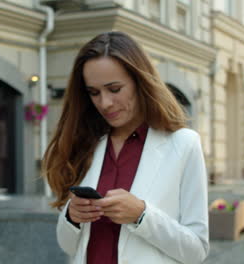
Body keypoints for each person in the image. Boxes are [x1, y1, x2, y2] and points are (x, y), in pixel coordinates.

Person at [42, 31, 209, 264]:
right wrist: (72, 216)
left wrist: (142, 215)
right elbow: (68, 246)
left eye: (115, 89)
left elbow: (197, 250)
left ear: (140, 82)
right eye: (94, 93)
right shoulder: (86, 144)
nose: (105, 103)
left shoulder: (183, 144)